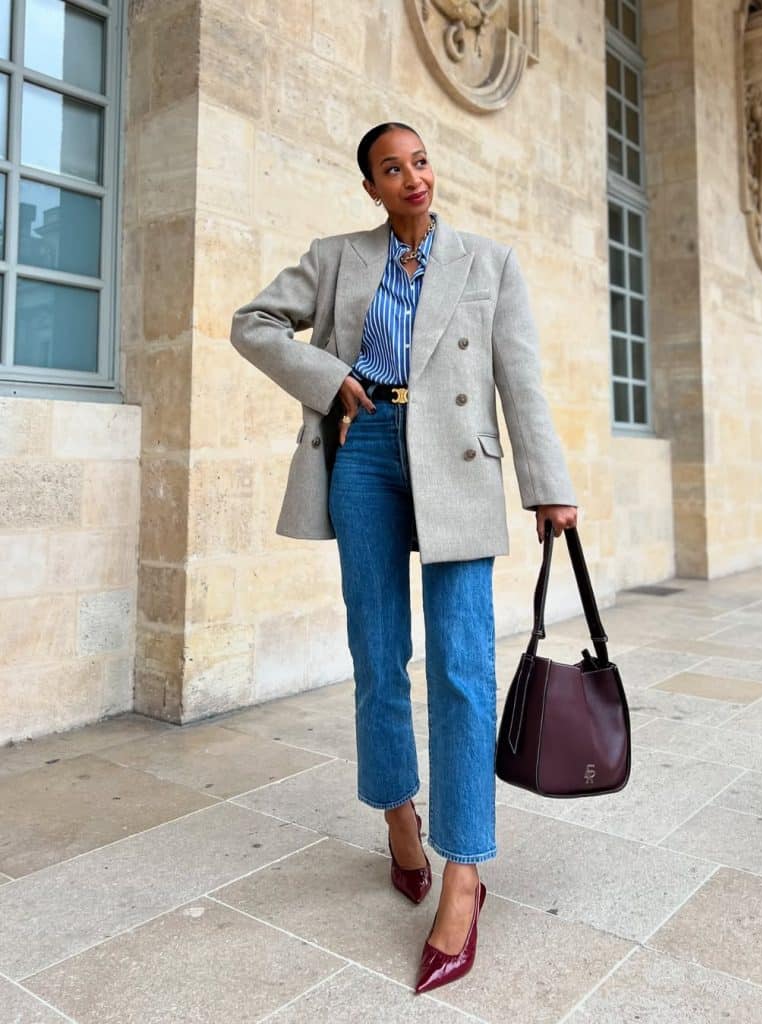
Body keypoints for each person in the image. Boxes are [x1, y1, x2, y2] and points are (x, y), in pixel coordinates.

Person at [230, 121, 577, 995]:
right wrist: (328, 379)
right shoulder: (339, 255)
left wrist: (549, 485)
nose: (413, 176)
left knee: (462, 665)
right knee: (377, 652)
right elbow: (253, 321)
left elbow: (520, 378)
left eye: (419, 161)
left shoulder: (488, 262)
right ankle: (396, 810)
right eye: (393, 168)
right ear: (372, 188)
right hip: (369, 451)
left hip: (458, 458)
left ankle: (464, 871)